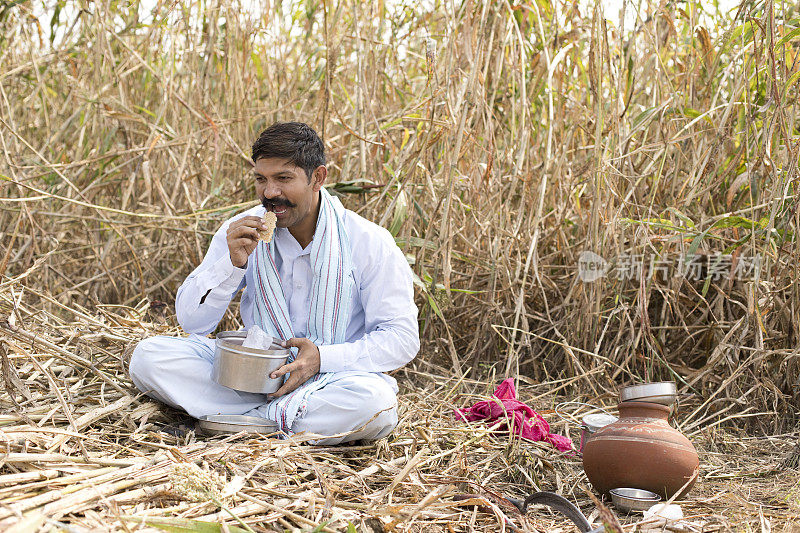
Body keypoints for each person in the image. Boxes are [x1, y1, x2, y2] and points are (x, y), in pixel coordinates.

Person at [128, 122, 419, 444]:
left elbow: (401, 339)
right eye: (261, 179)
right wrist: (232, 263)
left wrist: (321, 357)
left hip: (334, 378)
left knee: (373, 405)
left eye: (283, 179)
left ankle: (239, 423)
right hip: (250, 373)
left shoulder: (368, 241)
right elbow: (192, 323)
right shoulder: (240, 231)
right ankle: (280, 422)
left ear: (318, 178)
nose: (270, 193)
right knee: (149, 356)